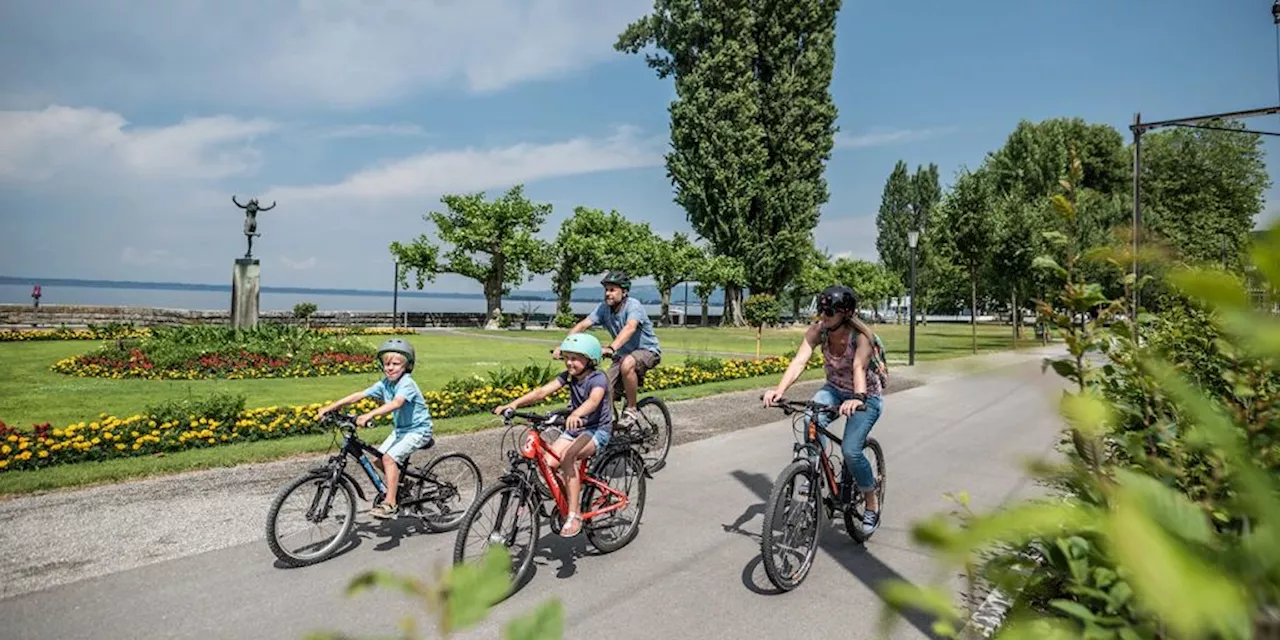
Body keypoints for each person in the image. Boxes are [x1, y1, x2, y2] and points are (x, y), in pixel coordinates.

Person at [762, 285, 887, 537]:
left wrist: (858, 398)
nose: (823, 315)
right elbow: (799, 362)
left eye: (829, 311)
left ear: (846, 314)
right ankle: (813, 473)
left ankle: (871, 503)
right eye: (821, 310)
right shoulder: (818, 332)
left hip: (866, 397)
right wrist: (779, 390)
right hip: (834, 390)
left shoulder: (861, 337)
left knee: (851, 450)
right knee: (809, 420)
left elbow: (858, 368)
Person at [495, 333, 612, 537]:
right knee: (548, 464)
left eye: (575, 358)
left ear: (590, 359)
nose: (569, 362)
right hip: (574, 430)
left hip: (596, 430)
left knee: (568, 458)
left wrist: (576, 413)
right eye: (566, 357)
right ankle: (570, 495)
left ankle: (574, 515)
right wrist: (513, 404)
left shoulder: (598, 378)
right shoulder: (568, 377)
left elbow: (594, 401)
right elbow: (541, 392)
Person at [316, 338, 433, 519]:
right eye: (387, 364)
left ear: (407, 366)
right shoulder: (385, 384)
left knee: (388, 459)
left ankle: (391, 503)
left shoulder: (407, 383)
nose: (390, 368)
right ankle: (404, 486)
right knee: (379, 460)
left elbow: (397, 403)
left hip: (418, 430)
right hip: (401, 430)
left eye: (396, 364)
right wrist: (331, 407)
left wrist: (370, 415)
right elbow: (359, 395)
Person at [555, 270, 661, 431]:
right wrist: (565, 347)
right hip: (622, 355)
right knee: (601, 385)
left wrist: (612, 348)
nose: (608, 294)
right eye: (606, 290)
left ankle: (631, 409)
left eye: (612, 290)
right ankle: (608, 424)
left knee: (627, 363)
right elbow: (583, 325)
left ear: (624, 291)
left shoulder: (634, 306)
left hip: (647, 351)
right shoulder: (603, 308)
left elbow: (630, 328)